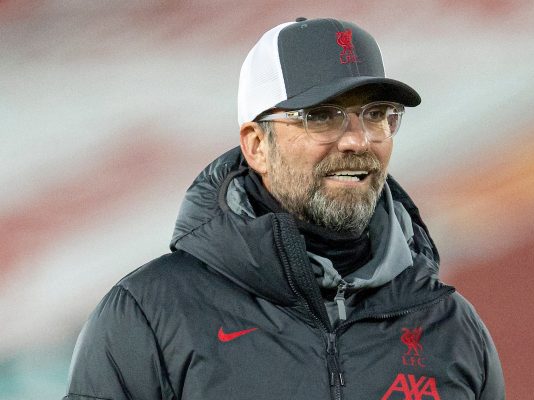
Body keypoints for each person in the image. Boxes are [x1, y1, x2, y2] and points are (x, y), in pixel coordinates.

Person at [64, 17, 505, 400]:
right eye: (322, 116)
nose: (357, 140)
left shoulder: (451, 329)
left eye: (376, 114)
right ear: (257, 146)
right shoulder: (149, 318)